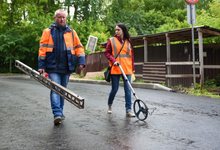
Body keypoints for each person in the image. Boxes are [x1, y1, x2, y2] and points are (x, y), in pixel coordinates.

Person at [38, 9, 85, 125]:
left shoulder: (72, 32)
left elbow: (79, 47)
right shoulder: (48, 32)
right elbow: (42, 49)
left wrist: (81, 62)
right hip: (52, 66)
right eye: (59, 17)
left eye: (63, 17)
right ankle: (57, 113)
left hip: (67, 67)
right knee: (56, 89)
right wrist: (41, 66)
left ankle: (60, 113)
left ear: (66, 19)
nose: (62, 19)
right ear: (55, 18)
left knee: (63, 91)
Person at [104, 23, 135, 117]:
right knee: (115, 89)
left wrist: (133, 69)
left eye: (118, 30)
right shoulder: (111, 40)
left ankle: (128, 110)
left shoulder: (128, 41)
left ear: (123, 30)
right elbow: (107, 53)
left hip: (127, 68)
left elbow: (131, 56)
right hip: (116, 68)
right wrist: (114, 61)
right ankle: (109, 105)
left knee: (128, 90)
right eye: (115, 30)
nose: (116, 31)